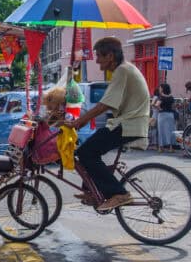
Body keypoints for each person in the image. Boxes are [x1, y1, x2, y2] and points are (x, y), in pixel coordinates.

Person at [63, 37, 150, 211]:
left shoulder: (122, 71)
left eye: (99, 57)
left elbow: (106, 104)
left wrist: (79, 122)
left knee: (86, 152)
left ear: (110, 56)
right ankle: (92, 191)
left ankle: (119, 193)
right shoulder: (124, 70)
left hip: (128, 124)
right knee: (87, 151)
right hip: (127, 122)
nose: (97, 61)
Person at [155, 83, 176, 153]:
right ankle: (171, 147)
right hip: (170, 115)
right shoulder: (171, 97)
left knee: (161, 131)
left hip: (162, 115)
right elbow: (173, 107)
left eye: (160, 87)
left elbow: (157, 105)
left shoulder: (161, 97)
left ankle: (161, 148)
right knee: (170, 131)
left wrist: (160, 109)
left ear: (163, 89)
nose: (159, 89)